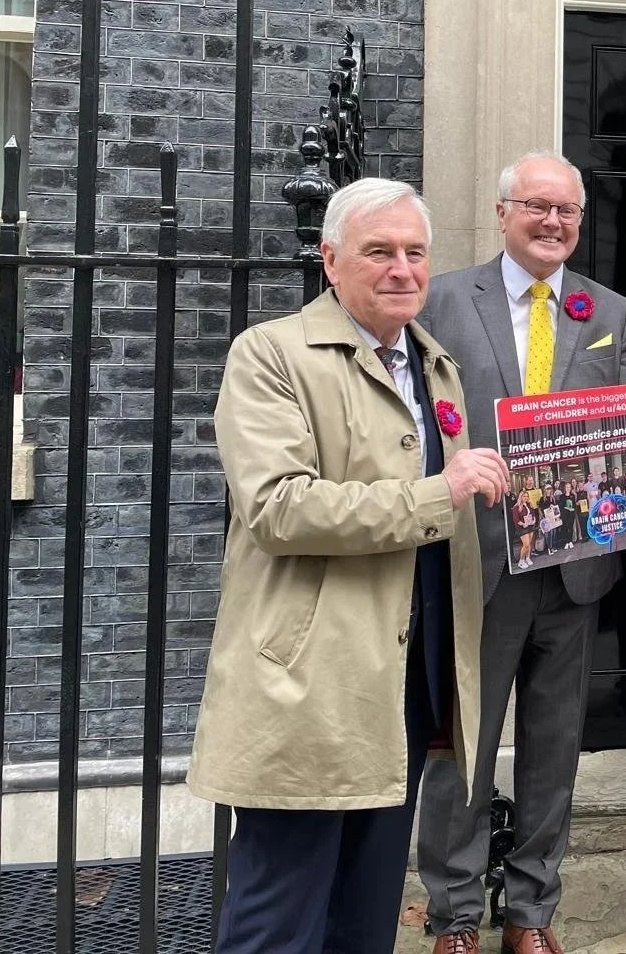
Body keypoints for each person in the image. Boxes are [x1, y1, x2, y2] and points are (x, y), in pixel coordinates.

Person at [187, 178, 512, 954]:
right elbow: (278, 507)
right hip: (311, 685)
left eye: (415, 252)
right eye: (379, 251)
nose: (402, 268)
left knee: (364, 921)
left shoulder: (434, 366)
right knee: (279, 921)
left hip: (402, 683)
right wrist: (440, 492)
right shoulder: (270, 355)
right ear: (331, 261)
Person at [415, 152, 626, 954]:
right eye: (537, 207)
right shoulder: (443, 300)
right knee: (464, 747)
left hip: (576, 566)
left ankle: (531, 911)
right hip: (475, 560)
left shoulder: (607, 308)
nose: (553, 224)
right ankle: (451, 915)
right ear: (502, 210)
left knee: (553, 749)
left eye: (568, 213)